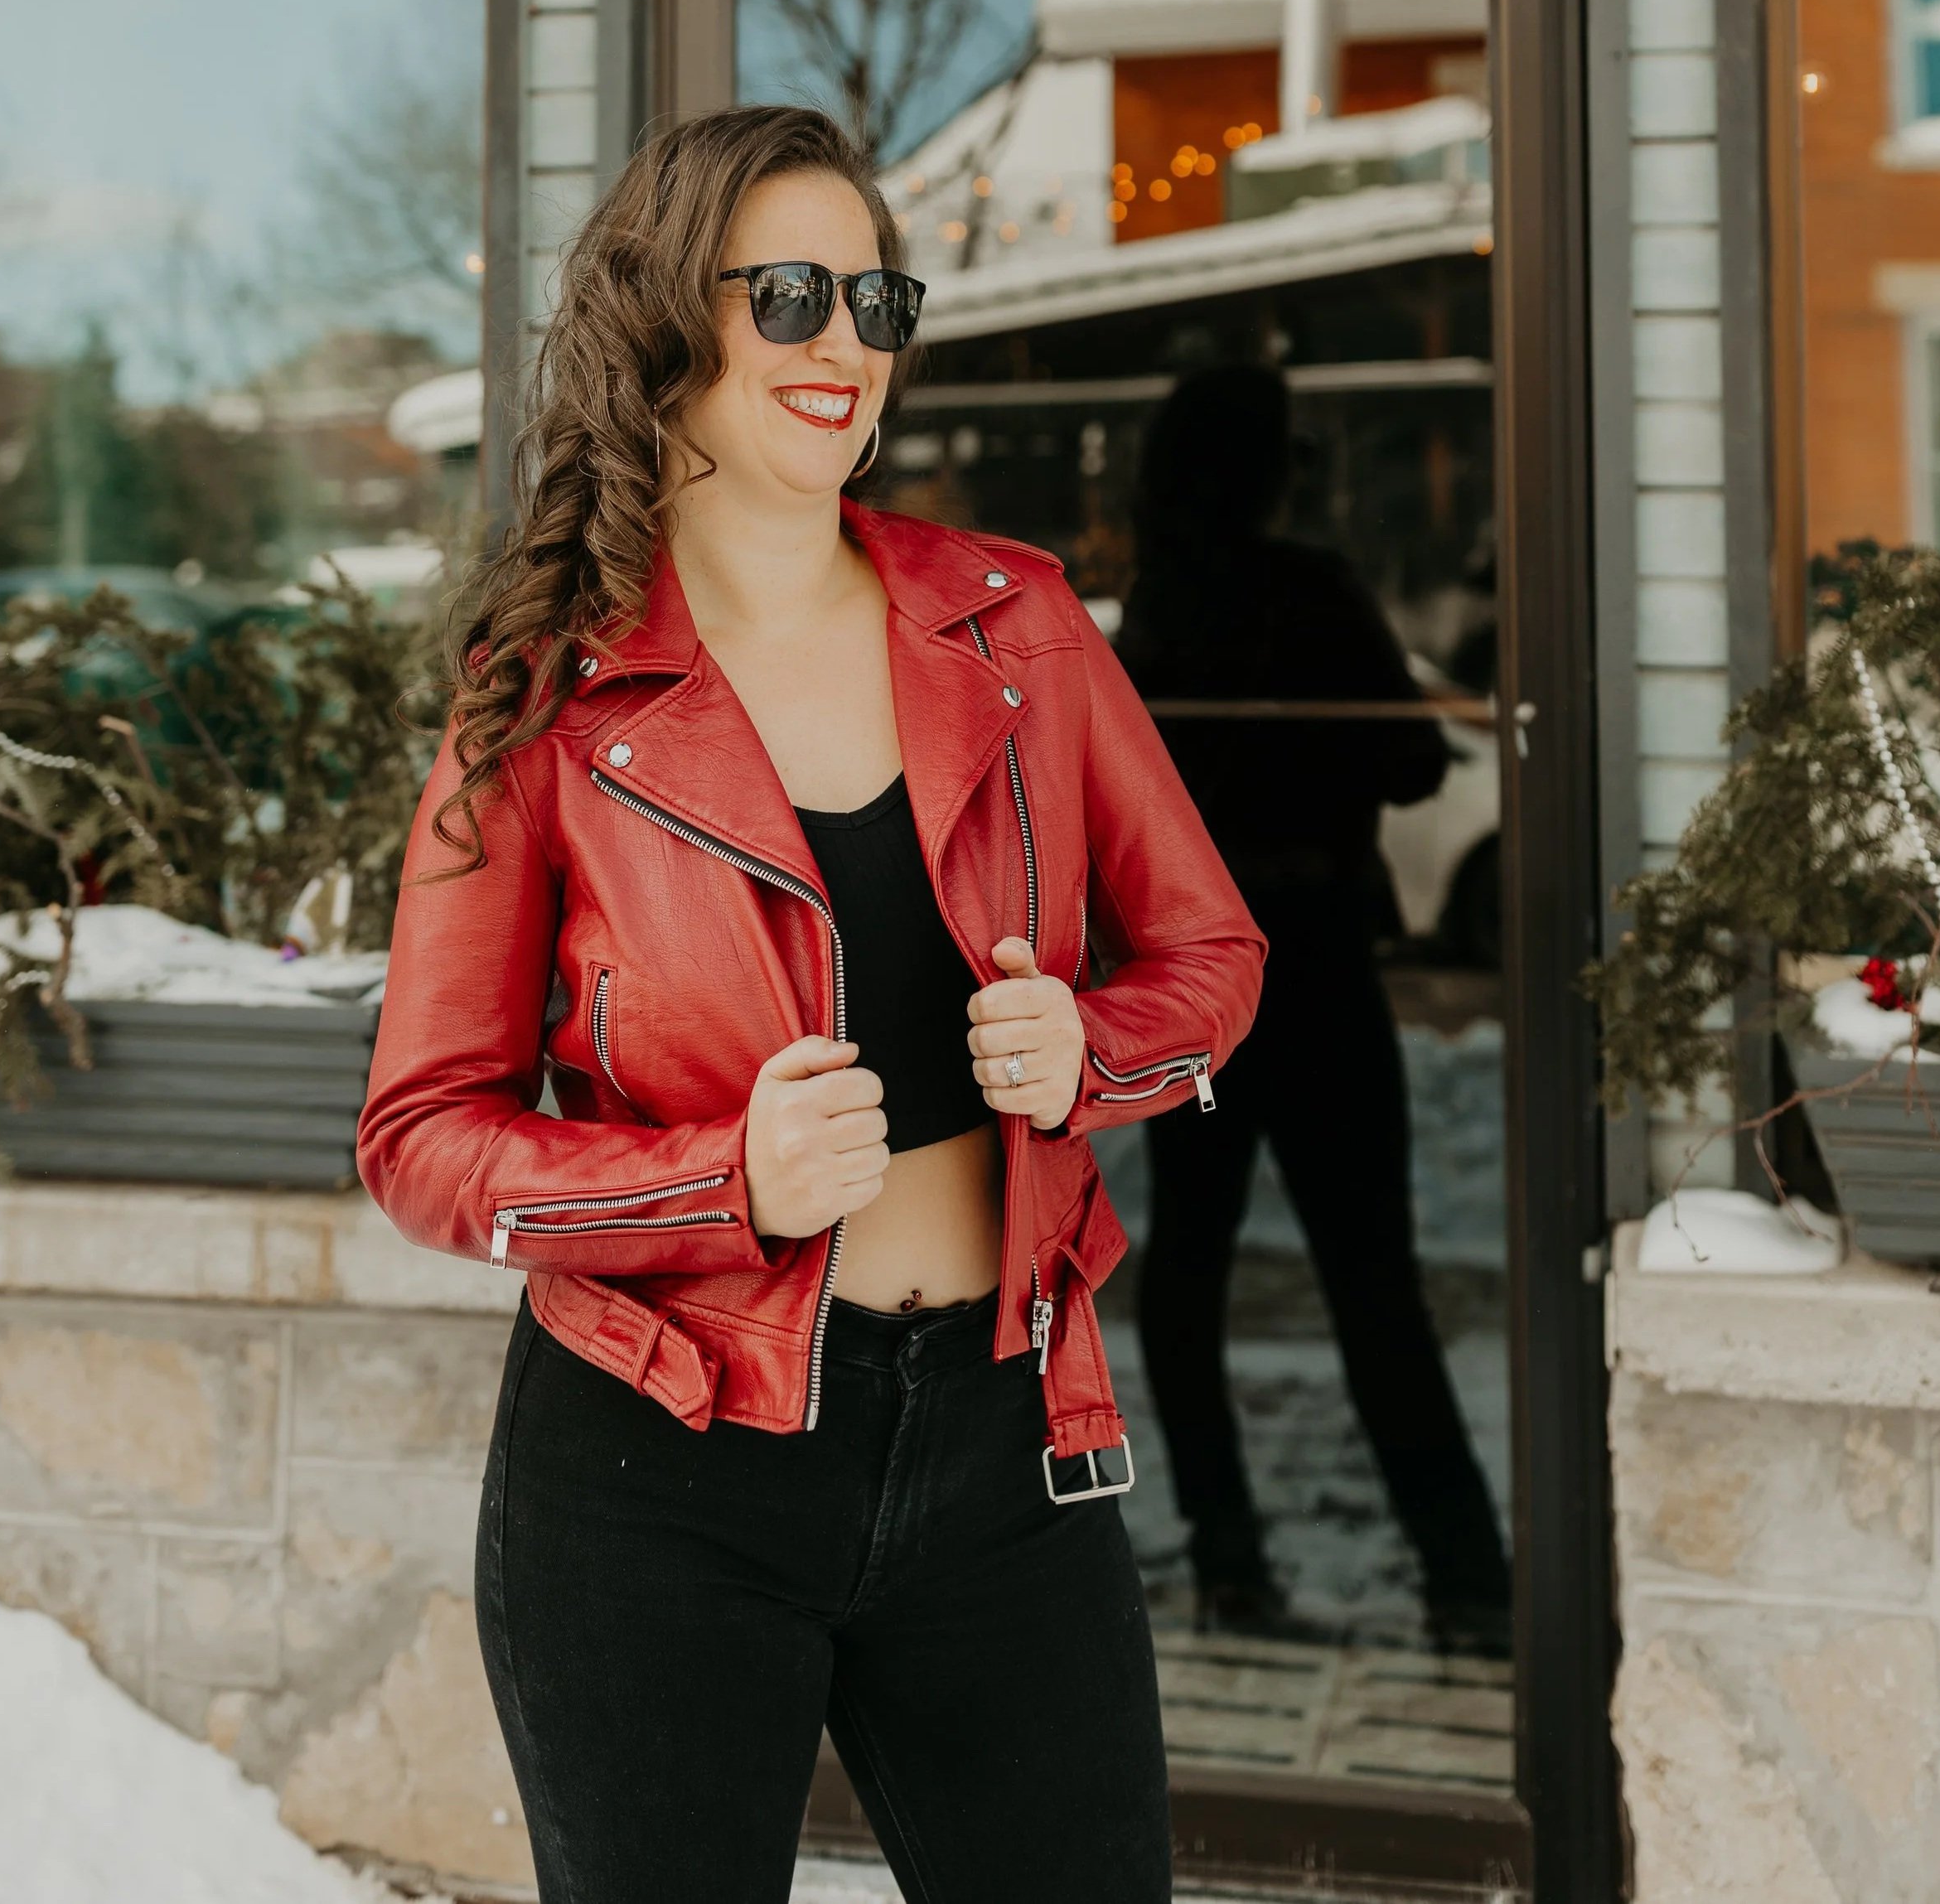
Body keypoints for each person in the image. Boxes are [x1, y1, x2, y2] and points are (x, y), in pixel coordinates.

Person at [355, 107, 1266, 1904]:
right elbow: (420, 1134)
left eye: (876, 296)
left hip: (1007, 1442)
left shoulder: (1016, 626)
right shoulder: (546, 693)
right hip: (658, 1468)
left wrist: (1097, 1048)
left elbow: (1211, 957)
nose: (843, 340)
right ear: (661, 326)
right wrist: (718, 1181)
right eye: (785, 293)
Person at [1116, 363, 1512, 1650]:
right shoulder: (1312, 589)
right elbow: (1407, 760)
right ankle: (1465, 1579)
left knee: (1188, 1267)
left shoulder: (1162, 614)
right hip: (1320, 961)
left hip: (1200, 978)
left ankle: (1231, 1560)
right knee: (1371, 1278)